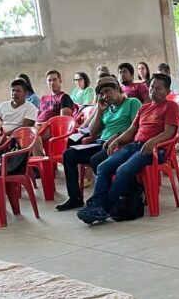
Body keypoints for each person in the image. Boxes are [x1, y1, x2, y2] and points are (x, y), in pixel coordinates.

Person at [77, 74, 179, 224]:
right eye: (151, 87)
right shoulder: (144, 108)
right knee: (103, 166)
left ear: (167, 91)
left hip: (156, 150)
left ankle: (105, 208)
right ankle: (97, 205)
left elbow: (169, 132)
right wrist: (117, 140)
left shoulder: (171, 106)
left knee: (123, 170)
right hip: (135, 146)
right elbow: (132, 130)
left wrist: (153, 142)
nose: (153, 91)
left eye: (159, 88)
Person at [57, 75, 142, 211]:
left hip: (121, 144)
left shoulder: (132, 103)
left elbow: (136, 128)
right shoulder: (107, 108)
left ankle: (106, 195)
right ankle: (75, 198)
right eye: (101, 93)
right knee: (69, 154)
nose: (104, 96)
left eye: (107, 91)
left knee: (96, 159)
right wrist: (100, 111)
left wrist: (117, 137)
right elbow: (92, 132)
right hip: (101, 143)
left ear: (117, 89)